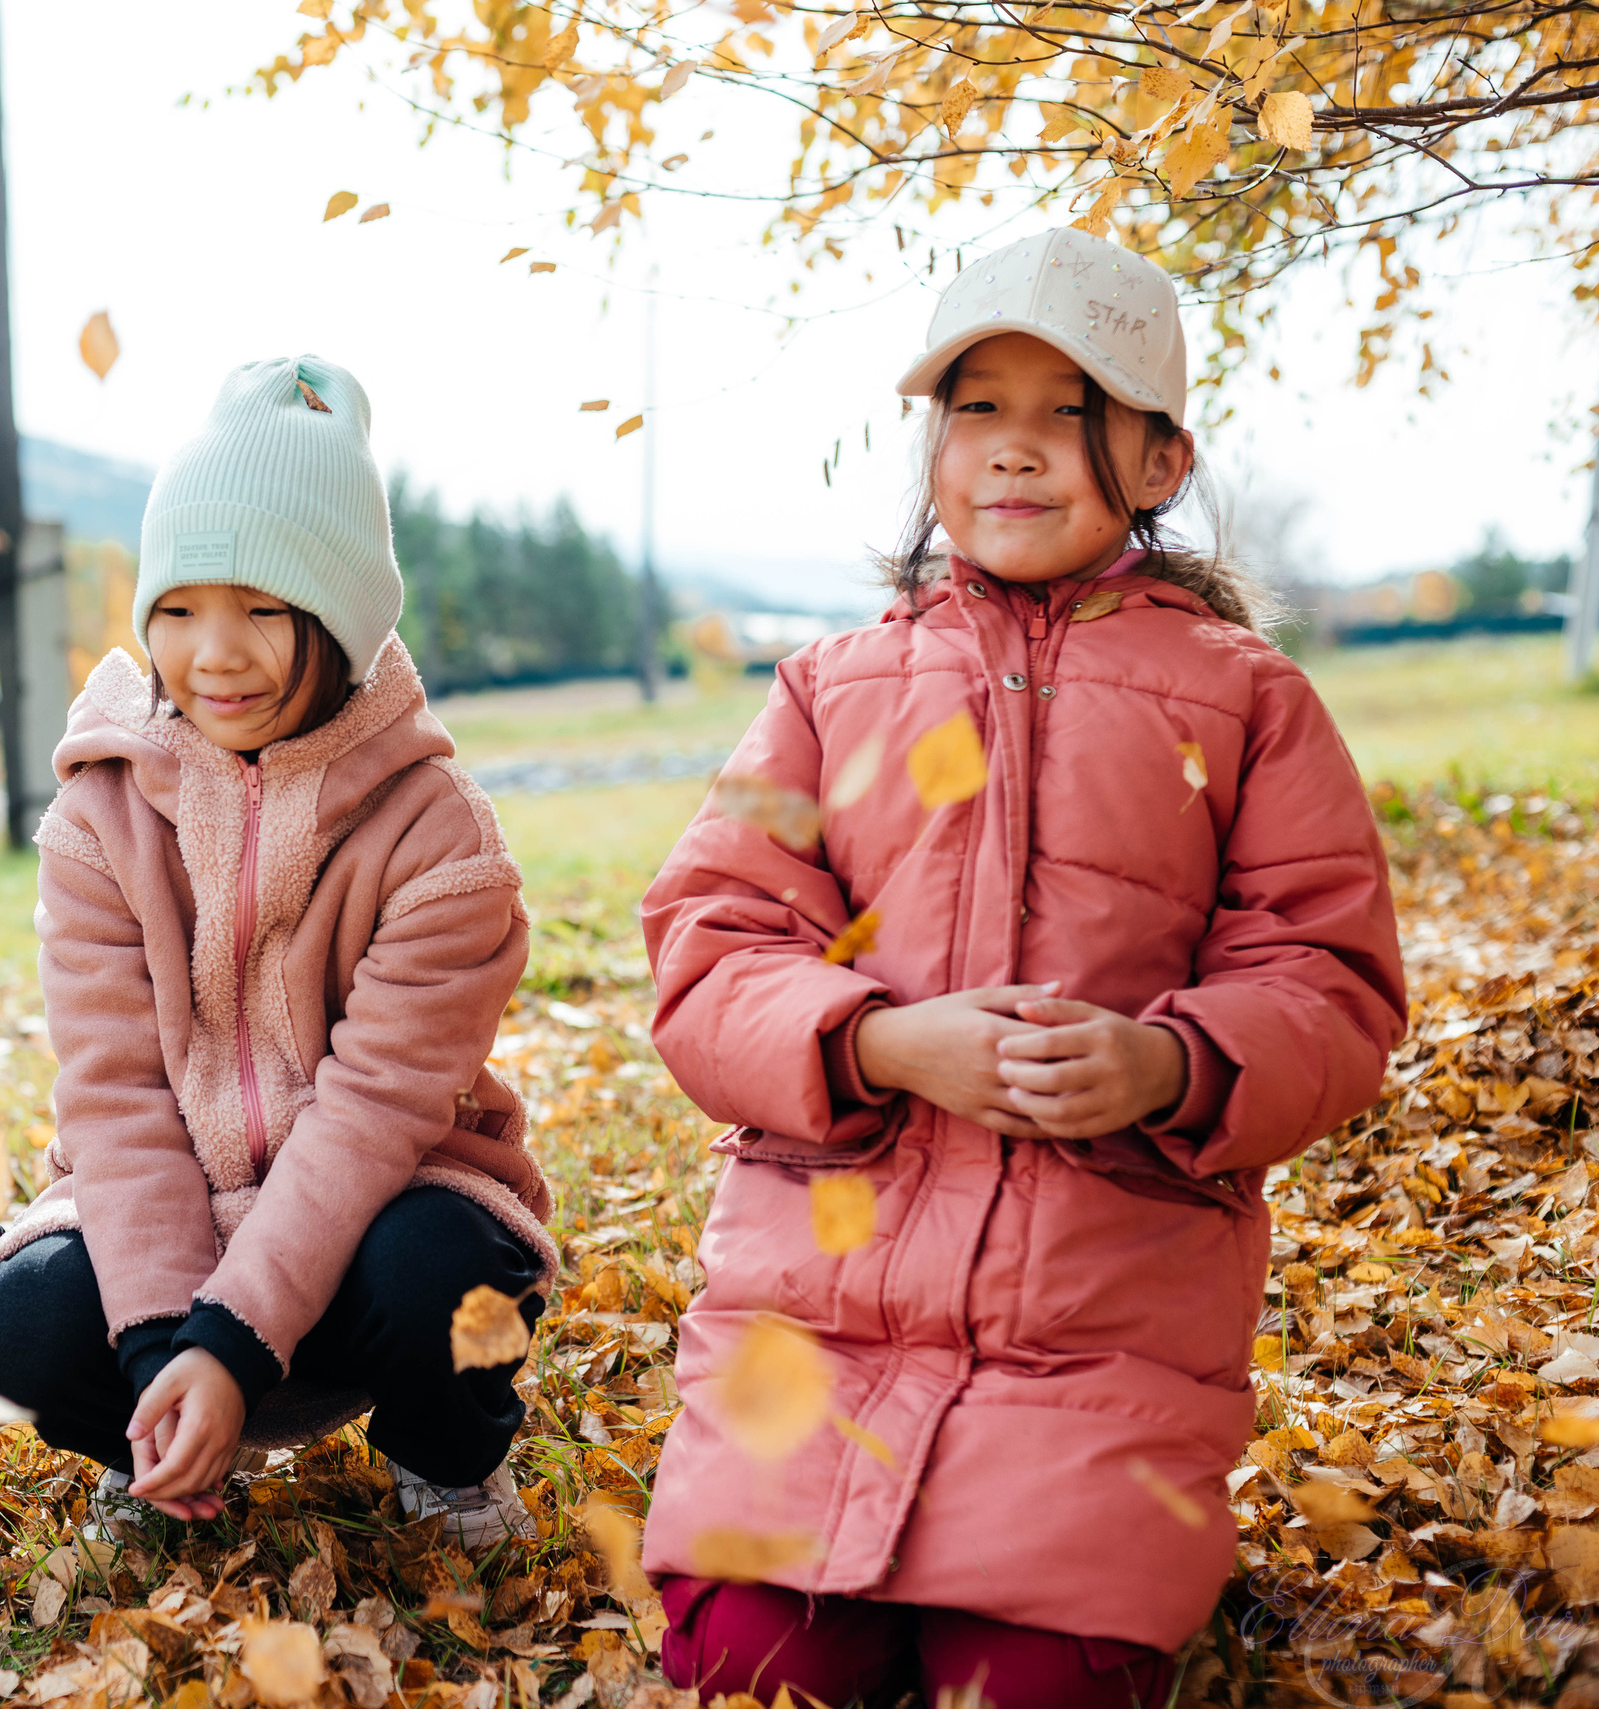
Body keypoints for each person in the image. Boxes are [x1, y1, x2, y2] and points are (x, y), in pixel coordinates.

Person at [637, 230, 1405, 1706]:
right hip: (829, 1298)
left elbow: (1333, 977)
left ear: (1162, 460)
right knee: (750, 1669)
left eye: (1071, 412)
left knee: (1035, 1681)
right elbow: (707, 946)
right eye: (979, 408)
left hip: (1100, 1316)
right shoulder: (826, 689)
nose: (1017, 450)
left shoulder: (1247, 700)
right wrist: (873, 1041)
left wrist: (1171, 1064)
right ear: (933, 446)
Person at [0, 356, 555, 1546]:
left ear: (339, 619)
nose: (215, 654)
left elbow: (372, 1114)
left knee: (449, 1269)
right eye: (178, 608)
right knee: (20, 1317)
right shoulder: (100, 816)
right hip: (168, 1246)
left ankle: (444, 1460)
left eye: (264, 608)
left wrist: (237, 1340)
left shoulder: (436, 830)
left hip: (374, 1224)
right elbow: (116, 1095)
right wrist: (157, 1346)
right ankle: (168, 1443)